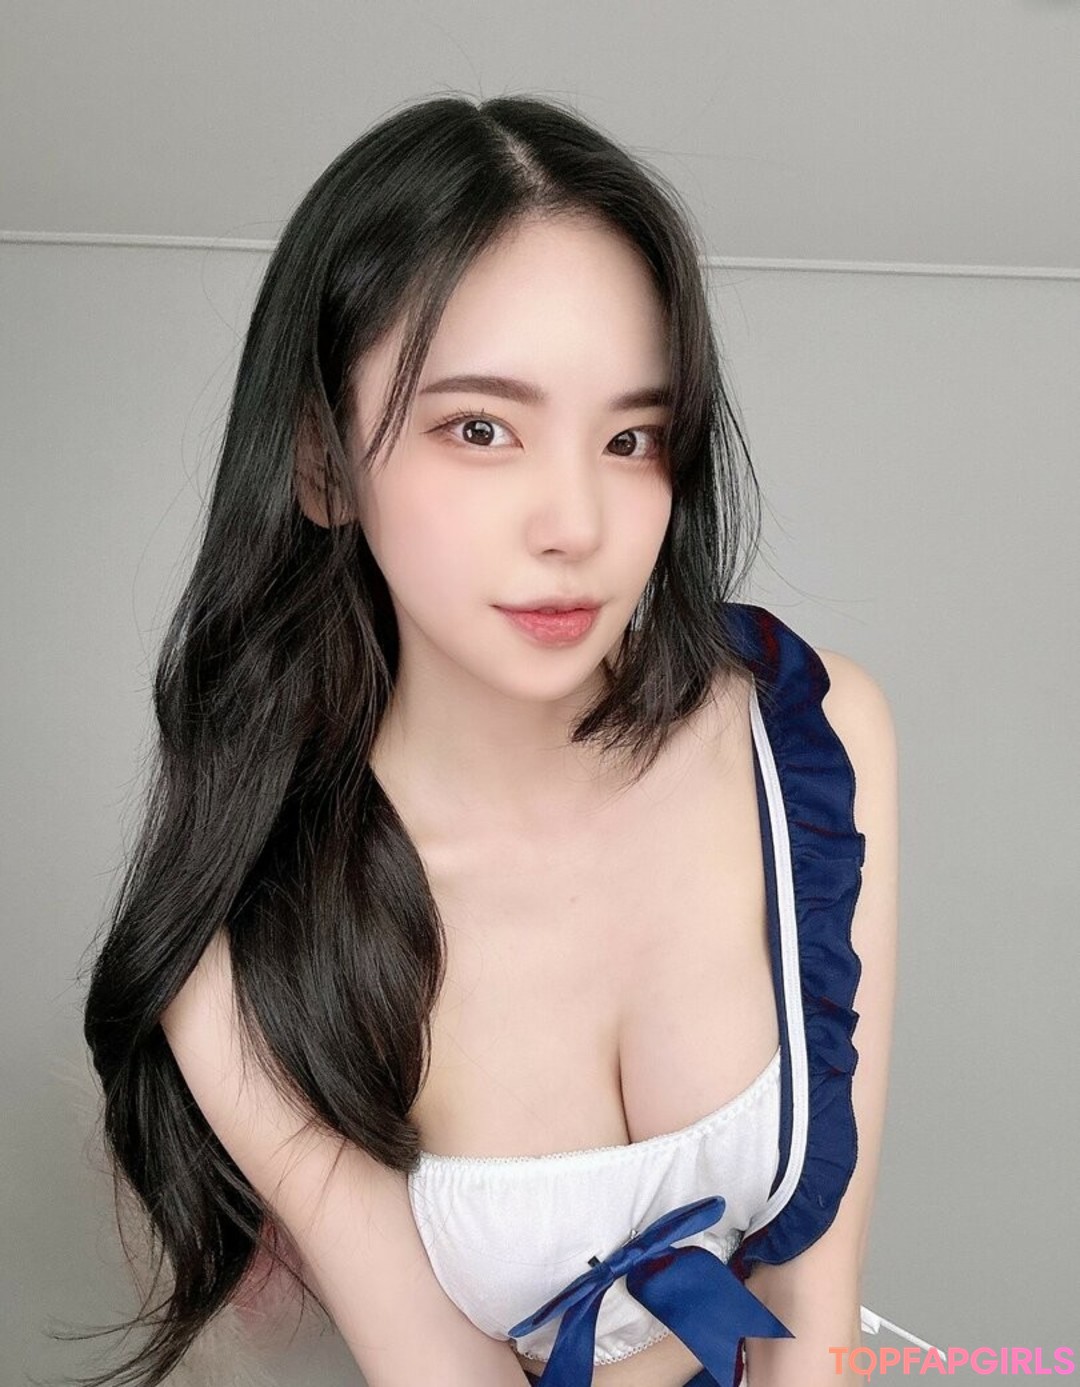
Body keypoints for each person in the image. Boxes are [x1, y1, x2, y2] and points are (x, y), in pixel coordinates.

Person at [78, 93, 898, 1387]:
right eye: (481, 429)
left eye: (630, 437)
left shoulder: (806, 737)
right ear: (323, 463)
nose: (575, 522)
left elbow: (818, 1305)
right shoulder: (246, 956)